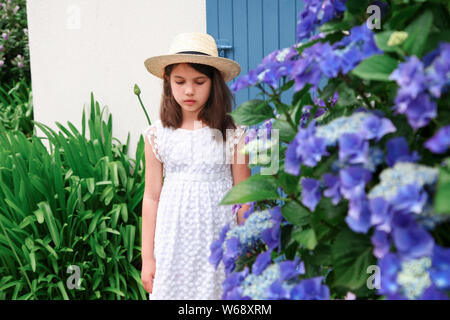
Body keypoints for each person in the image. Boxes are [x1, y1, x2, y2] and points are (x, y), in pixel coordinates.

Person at [140, 32, 252, 300]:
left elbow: (245, 193)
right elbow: (151, 196)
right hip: (173, 240)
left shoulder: (233, 133)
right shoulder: (157, 134)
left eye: (199, 82)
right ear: (168, 82)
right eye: (180, 81)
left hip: (218, 236)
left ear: (214, 83)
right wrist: (148, 258)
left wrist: (248, 243)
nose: (189, 90)